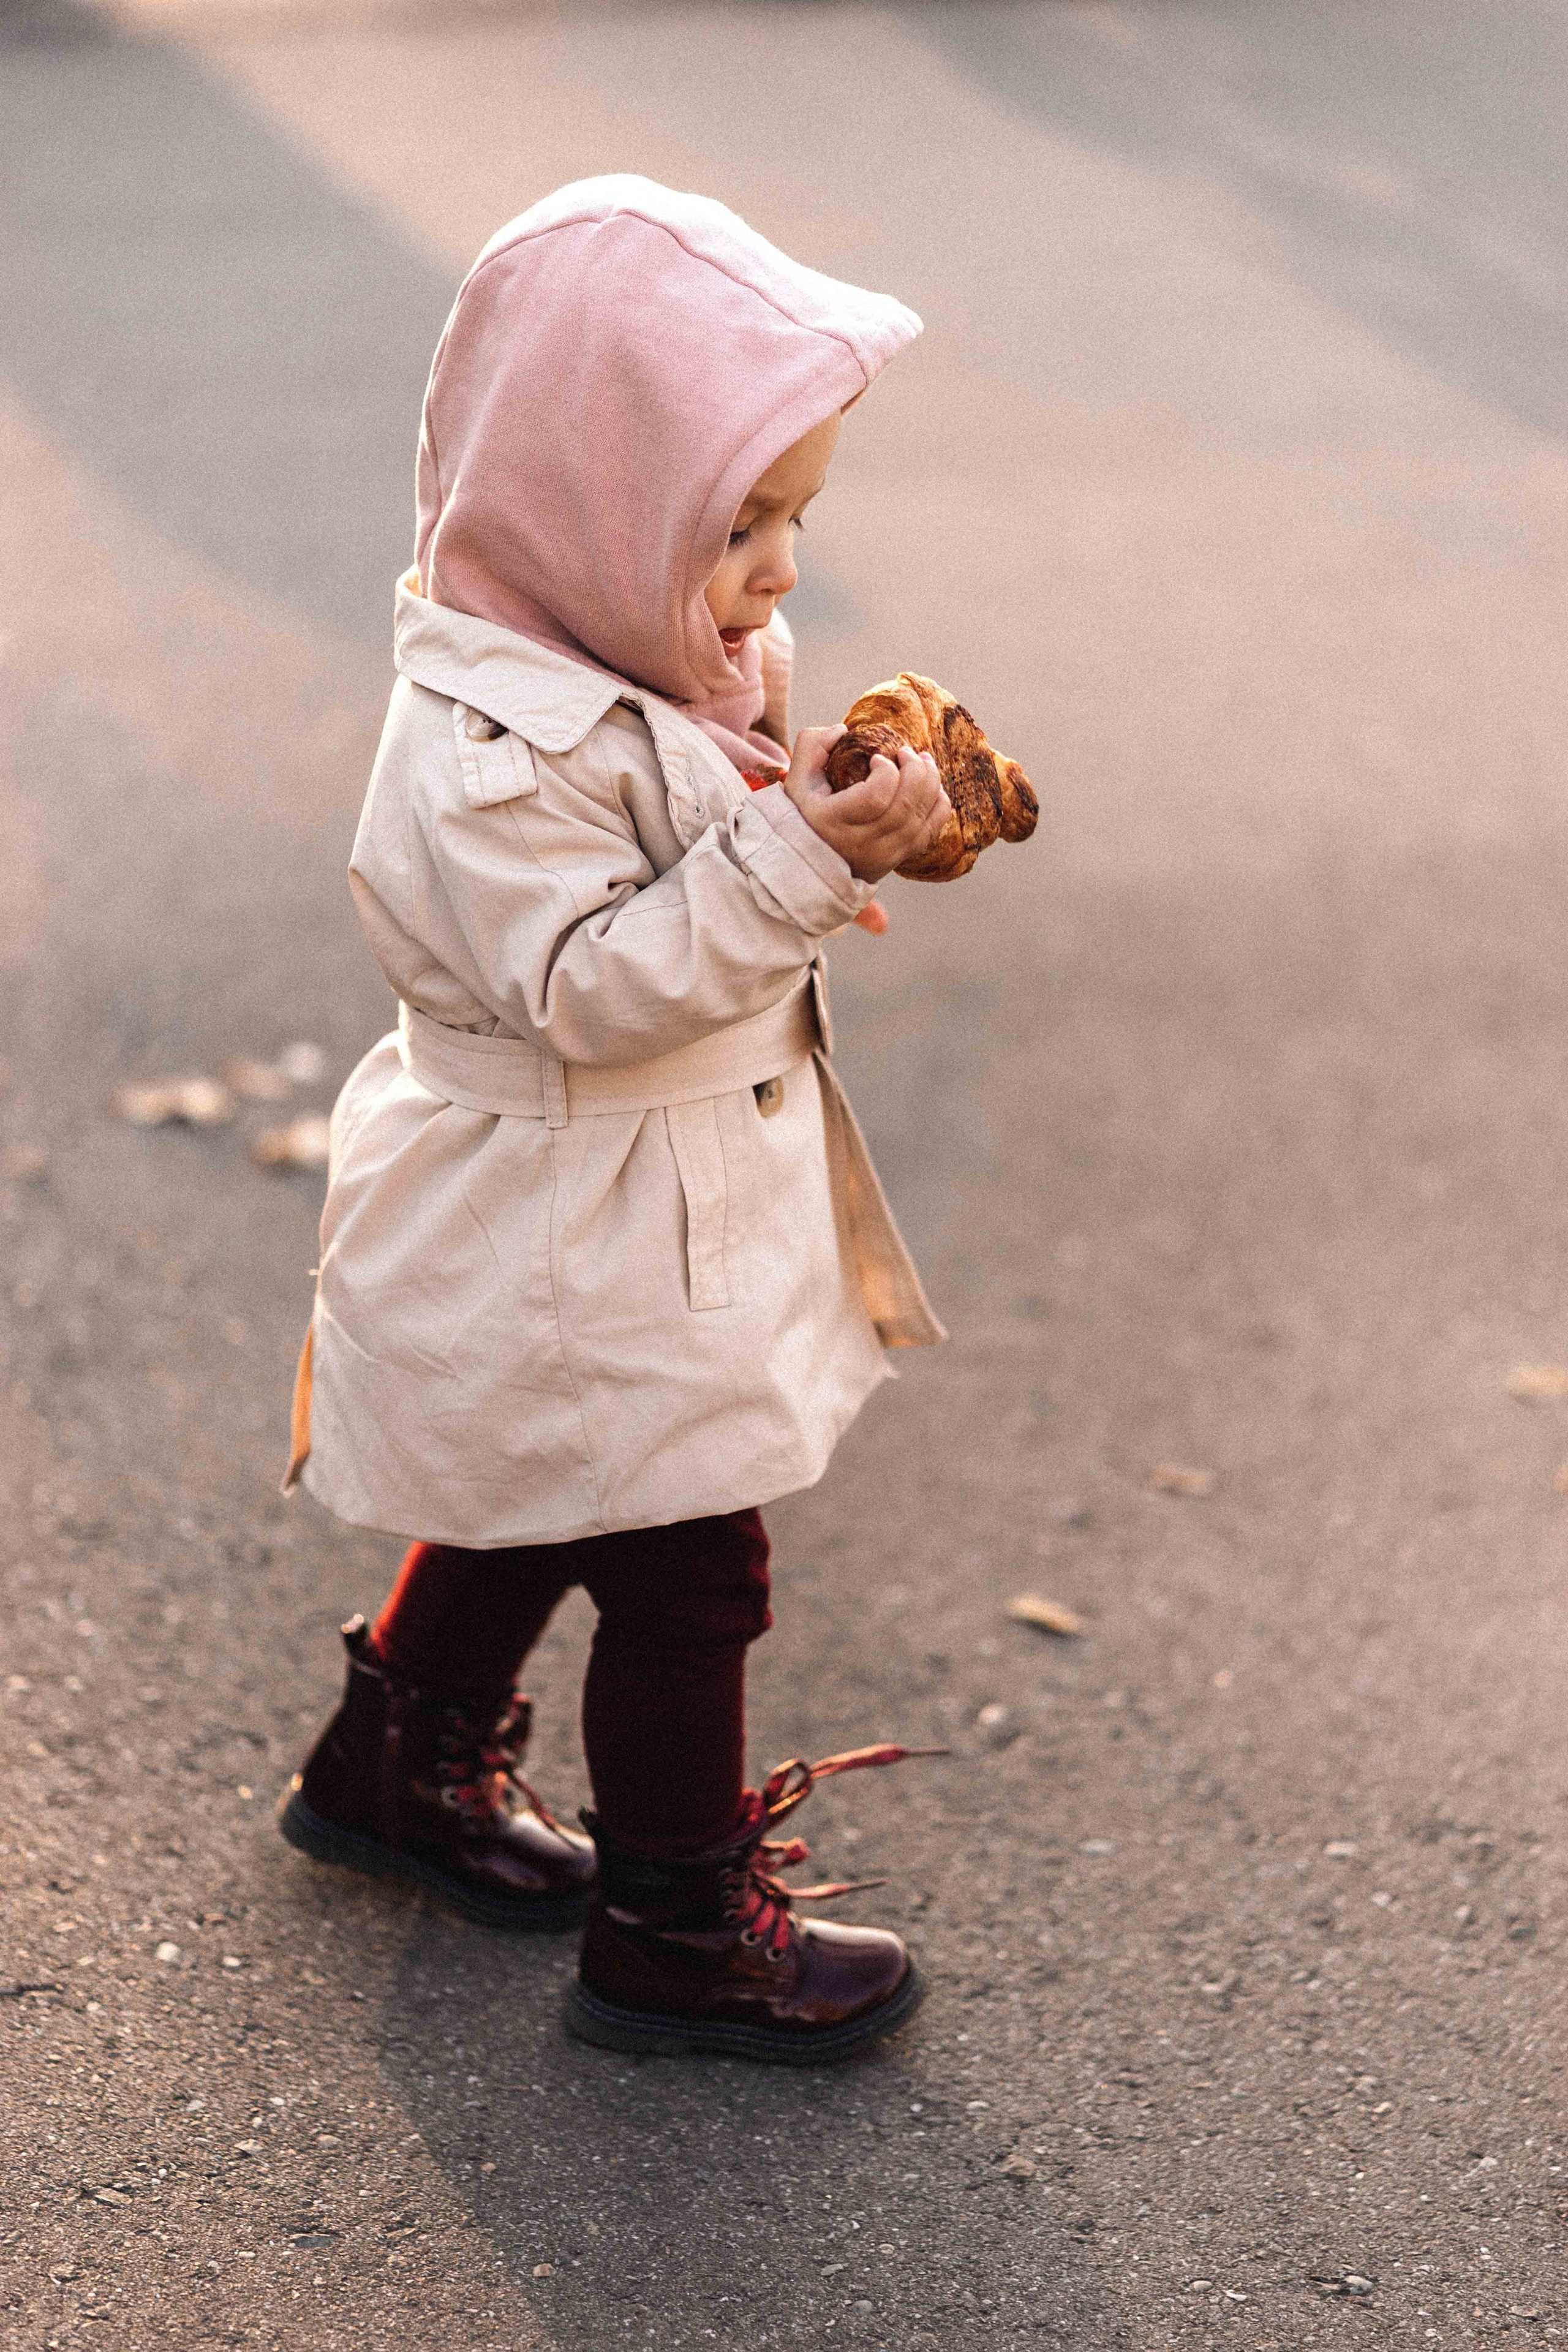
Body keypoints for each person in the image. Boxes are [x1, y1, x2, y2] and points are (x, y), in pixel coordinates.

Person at [277, 176, 952, 2063]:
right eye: (739, 525)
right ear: (590, 517)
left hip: (622, 1203)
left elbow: (705, 860)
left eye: (798, 516)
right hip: (566, 1205)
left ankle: (396, 1757)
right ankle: (671, 1921)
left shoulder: (639, 658)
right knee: (685, 1552)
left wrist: (815, 814)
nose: (783, 572)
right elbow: (590, 986)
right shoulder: (486, 750)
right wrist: (795, 863)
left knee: (554, 1484)